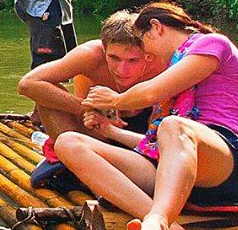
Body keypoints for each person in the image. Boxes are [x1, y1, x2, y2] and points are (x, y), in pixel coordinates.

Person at [62, 2, 238, 230]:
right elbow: (156, 146)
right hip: (176, 170)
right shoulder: (171, 65)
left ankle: (158, 219)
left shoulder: (212, 44)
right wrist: (109, 131)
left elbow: (151, 95)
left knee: (173, 125)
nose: (145, 56)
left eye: (143, 45)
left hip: (227, 164)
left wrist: (116, 100)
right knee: (69, 142)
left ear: (155, 28)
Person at [16, 10, 157, 188]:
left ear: (148, 54)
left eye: (133, 60)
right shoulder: (90, 54)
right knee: (46, 100)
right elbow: (27, 84)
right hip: (97, 128)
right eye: (114, 58)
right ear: (104, 49)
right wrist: (90, 108)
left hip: (146, 131)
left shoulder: (161, 60)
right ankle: (75, 164)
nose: (122, 70)